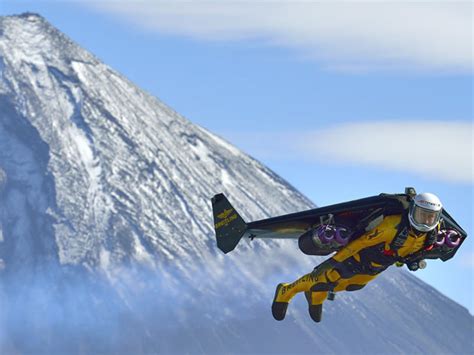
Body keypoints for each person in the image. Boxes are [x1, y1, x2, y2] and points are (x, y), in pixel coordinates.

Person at [272, 192, 443, 323]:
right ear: (413, 210)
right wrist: (331, 262)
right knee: (323, 279)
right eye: (422, 215)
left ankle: (315, 296)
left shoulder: (431, 235)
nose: (426, 221)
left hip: (377, 266)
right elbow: (359, 243)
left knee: (351, 285)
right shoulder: (391, 226)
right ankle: (286, 290)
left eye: (431, 216)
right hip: (358, 257)